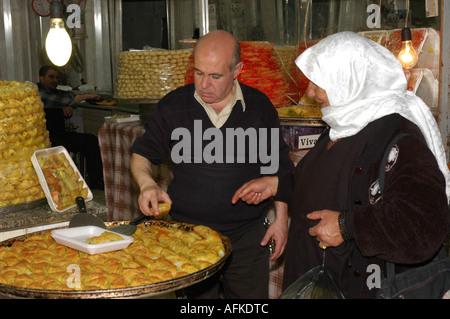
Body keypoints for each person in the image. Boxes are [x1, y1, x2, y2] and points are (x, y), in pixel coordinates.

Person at [232, 31, 450, 298]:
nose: (310, 93)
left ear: (350, 80)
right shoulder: (345, 122)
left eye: (318, 83)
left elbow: (423, 226)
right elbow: (329, 180)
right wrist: (278, 185)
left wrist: (348, 227)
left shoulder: (398, 138)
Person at [130, 30, 294, 299]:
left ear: (237, 70)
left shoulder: (259, 107)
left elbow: (279, 167)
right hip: (188, 236)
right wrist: (147, 184)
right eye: (198, 72)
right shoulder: (174, 106)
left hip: (247, 237)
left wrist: (281, 220)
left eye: (215, 76)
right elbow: (142, 154)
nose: (204, 84)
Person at [38, 65, 104, 190]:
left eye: (57, 77)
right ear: (42, 78)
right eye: (51, 77)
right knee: (58, 146)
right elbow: (62, 100)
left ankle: (96, 181)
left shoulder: (56, 92)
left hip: (61, 135)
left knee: (91, 140)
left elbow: (66, 97)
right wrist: (87, 97)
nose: (55, 80)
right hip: (47, 139)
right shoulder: (38, 93)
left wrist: (65, 105)